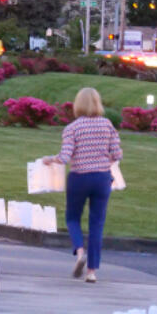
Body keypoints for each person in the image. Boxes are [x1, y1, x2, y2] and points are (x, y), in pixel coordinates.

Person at [39, 87, 122, 283]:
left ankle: (79, 252)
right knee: (97, 224)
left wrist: (49, 159)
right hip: (102, 178)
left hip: (79, 178)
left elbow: (65, 157)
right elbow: (117, 154)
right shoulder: (107, 125)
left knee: (72, 218)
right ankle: (92, 271)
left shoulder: (72, 128)